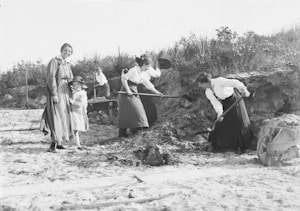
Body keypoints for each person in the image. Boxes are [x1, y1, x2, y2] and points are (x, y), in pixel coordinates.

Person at [196, 72, 253, 152]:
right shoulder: (208, 92)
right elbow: (215, 103)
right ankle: (220, 147)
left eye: (200, 84)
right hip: (224, 104)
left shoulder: (219, 81)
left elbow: (234, 82)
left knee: (237, 123)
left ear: (205, 82)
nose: (199, 86)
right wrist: (220, 113)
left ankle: (240, 147)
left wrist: (243, 89)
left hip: (234, 100)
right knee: (220, 124)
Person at [117, 55, 163, 137]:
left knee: (136, 111)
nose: (148, 68)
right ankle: (123, 134)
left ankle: (134, 132)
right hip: (126, 93)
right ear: (144, 64)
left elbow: (148, 85)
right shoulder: (134, 70)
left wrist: (158, 93)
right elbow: (124, 78)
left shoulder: (142, 73)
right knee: (130, 112)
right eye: (148, 66)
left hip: (134, 91)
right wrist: (128, 90)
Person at [40, 43, 74, 152]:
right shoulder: (55, 61)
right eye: (65, 50)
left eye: (69, 51)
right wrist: (54, 93)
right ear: (61, 50)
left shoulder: (67, 64)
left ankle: (60, 142)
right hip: (58, 90)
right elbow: (51, 78)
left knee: (64, 116)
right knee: (56, 116)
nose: (67, 53)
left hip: (66, 91)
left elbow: (71, 78)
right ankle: (53, 143)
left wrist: (72, 89)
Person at [137, 57, 161, 126]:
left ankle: (146, 123)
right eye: (149, 65)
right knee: (149, 105)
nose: (149, 67)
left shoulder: (144, 68)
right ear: (144, 64)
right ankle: (150, 123)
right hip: (142, 88)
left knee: (145, 106)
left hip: (141, 88)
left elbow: (156, 75)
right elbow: (148, 84)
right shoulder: (142, 71)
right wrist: (157, 92)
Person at [69, 76, 89, 150]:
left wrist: (72, 101)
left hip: (78, 113)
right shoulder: (74, 93)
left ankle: (78, 145)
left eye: (77, 84)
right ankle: (77, 144)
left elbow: (80, 104)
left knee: (75, 129)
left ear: (81, 85)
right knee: (74, 129)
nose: (76, 86)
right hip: (73, 113)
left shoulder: (82, 94)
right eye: (74, 85)